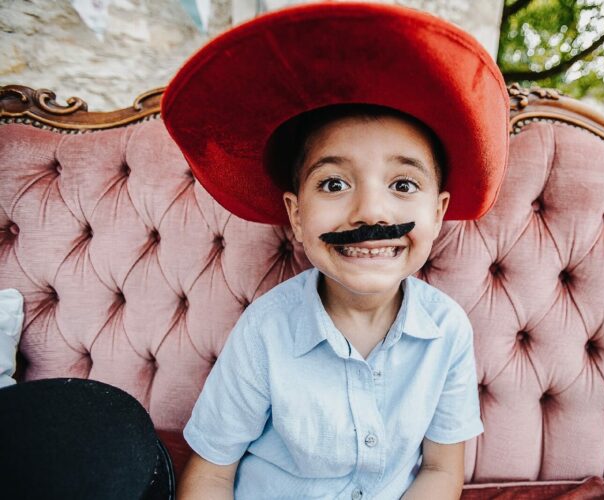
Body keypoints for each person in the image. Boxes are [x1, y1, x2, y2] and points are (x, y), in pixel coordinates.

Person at [161, 2, 510, 499]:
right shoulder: (266, 331)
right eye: (334, 182)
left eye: (404, 184)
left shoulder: (447, 330)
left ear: (439, 211)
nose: (371, 213)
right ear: (297, 215)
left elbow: (439, 471)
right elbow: (213, 472)